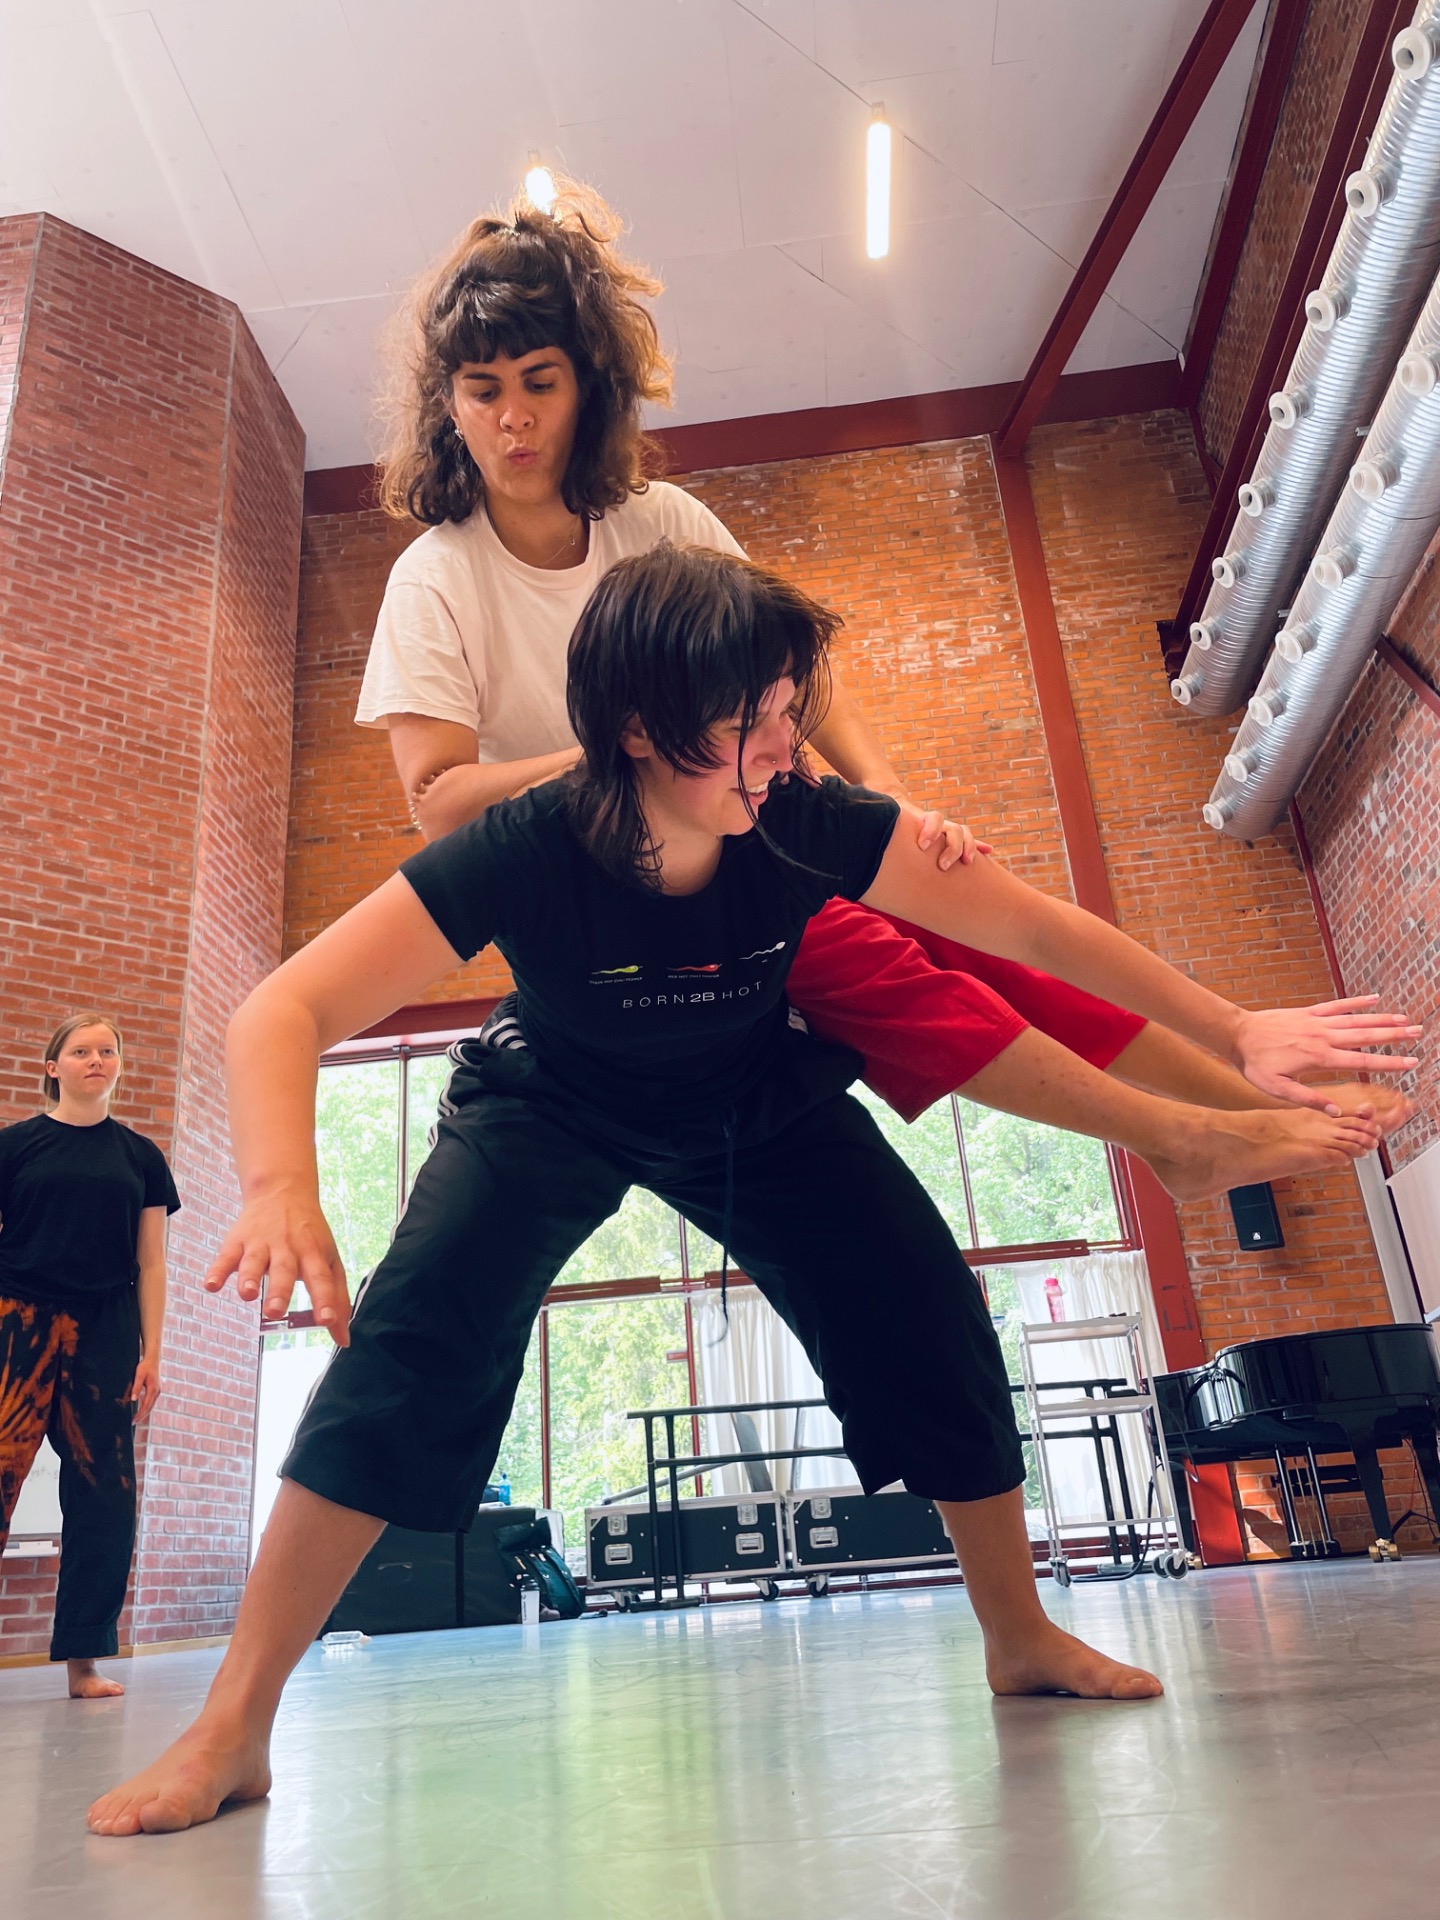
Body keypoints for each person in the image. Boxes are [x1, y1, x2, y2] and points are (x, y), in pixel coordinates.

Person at [88, 545, 1415, 1837]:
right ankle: (235, 1723)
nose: (785, 749)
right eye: (749, 724)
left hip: (746, 1090)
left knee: (925, 1302)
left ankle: (1017, 1635)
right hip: (553, 1100)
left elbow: (1027, 925)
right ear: (634, 729)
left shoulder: (802, 821)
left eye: (788, 712)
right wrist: (281, 1185)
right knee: (406, 1346)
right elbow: (284, 1008)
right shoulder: (522, 848)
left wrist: (1236, 1028)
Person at [355, 176, 1411, 1181]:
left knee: (976, 911)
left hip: (748, 808)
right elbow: (440, 803)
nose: (514, 418)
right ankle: (1180, 1139)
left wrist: (893, 798)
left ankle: (1246, 1084)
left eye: (539, 384)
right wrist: (639, 749)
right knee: (881, 965)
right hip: (611, 873)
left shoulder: (660, 521)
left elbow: (798, 674)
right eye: (484, 392)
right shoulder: (436, 578)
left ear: (587, 386)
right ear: (450, 406)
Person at [0, 1015, 180, 1698]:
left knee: (105, 1494)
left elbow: (152, 1262)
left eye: (107, 1051)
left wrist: (152, 1351)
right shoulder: (14, 1146)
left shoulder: (141, 1157)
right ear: (54, 1067)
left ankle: (84, 1662)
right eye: (81, 1051)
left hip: (106, 1329)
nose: (96, 1059)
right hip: (16, 1319)